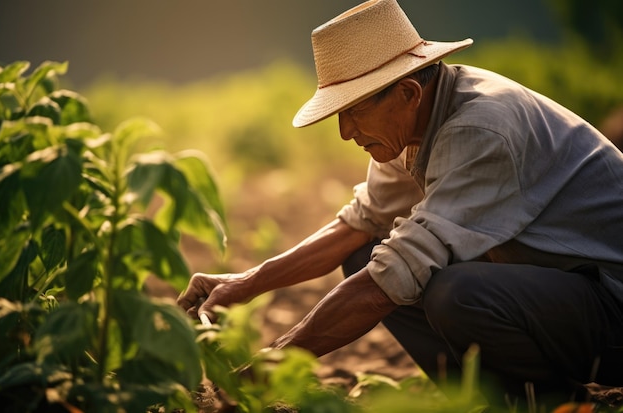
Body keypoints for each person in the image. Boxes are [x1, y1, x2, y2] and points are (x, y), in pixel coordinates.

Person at [178, 0, 623, 407]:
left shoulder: (480, 130)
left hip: (613, 305)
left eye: (354, 111)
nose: (345, 132)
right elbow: (360, 223)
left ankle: (546, 400)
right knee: (363, 254)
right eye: (340, 114)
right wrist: (245, 284)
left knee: (457, 293)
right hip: (569, 291)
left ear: (408, 93)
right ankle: (486, 394)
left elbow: (393, 277)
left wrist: (272, 363)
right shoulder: (412, 126)